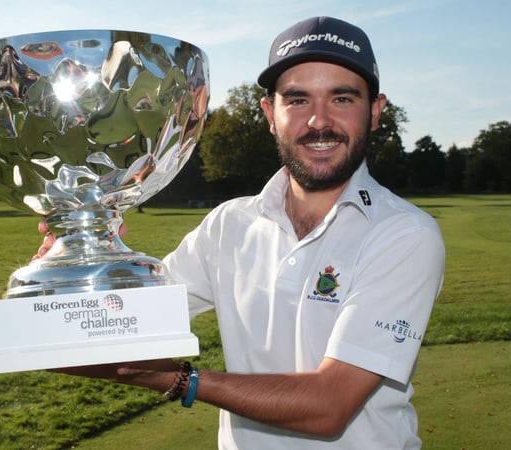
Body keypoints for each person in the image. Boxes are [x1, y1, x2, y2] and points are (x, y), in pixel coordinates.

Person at [43, 16, 445, 449]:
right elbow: (135, 317)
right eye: (298, 100)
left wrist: (181, 380)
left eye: (342, 99)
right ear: (270, 114)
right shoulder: (228, 224)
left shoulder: (404, 234)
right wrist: (77, 271)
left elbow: (330, 406)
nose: (319, 121)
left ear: (375, 111)